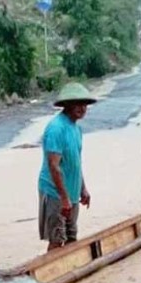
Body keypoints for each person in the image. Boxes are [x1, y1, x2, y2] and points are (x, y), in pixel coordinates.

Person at [38, 83, 96, 252]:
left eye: (84, 104)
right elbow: (54, 167)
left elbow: (75, 162)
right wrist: (64, 198)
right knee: (57, 239)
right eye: (77, 104)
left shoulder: (76, 129)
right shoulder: (56, 128)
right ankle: (49, 276)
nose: (82, 108)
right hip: (55, 192)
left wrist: (83, 189)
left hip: (72, 192)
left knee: (71, 237)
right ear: (67, 105)